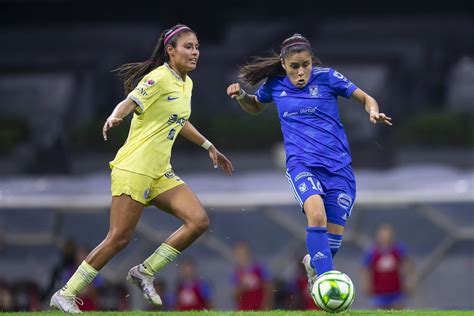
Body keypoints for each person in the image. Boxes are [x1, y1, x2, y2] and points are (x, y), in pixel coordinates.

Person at [50, 24, 234, 313]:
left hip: (160, 172)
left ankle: (144, 271)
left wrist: (208, 145)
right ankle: (65, 293)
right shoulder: (158, 78)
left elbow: (178, 120)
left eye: (197, 47)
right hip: (134, 168)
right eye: (188, 47)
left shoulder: (186, 83)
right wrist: (115, 115)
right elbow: (130, 100)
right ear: (170, 51)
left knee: (198, 220)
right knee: (119, 238)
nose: (195, 52)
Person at [227, 34, 392, 293]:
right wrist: (242, 97)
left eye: (306, 64)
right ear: (283, 64)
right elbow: (256, 106)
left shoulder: (327, 77)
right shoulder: (275, 85)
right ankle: (326, 284)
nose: (301, 71)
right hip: (302, 164)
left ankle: (314, 264)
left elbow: (366, 98)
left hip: (339, 169)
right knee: (317, 215)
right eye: (295, 66)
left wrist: (372, 110)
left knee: (333, 240)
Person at [361, 223, 415, 309]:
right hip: (378, 294)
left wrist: (409, 281)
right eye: (382, 235)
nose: (385, 238)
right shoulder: (372, 252)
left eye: (387, 235)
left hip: (396, 293)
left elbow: (407, 266)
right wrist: (366, 285)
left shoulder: (398, 249)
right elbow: (365, 269)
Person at [230, 242, 273, 310]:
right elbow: (234, 295)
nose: (241, 256)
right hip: (244, 310)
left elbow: (268, 289)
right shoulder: (236, 273)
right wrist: (243, 287)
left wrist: (266, 307)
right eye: (238, 254)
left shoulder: (259, 268)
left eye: (243, 253)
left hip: (259, 308)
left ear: (248, 253)